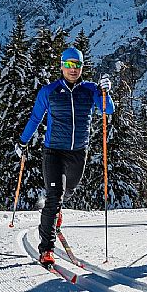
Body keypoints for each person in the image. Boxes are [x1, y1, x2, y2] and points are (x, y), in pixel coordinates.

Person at [19, 46, 114, 265]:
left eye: (77, 65)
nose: (73, 69)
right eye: (69, 64)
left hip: (79, 153)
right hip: (54, 151)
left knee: (69, 189)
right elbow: (35, 118)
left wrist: (105, 93)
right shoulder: (49, 91)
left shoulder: (90, 90)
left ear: (82, 67)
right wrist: (22, 141)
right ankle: (46, 249)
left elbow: (108, 110)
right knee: (54, 197)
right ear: (62, 66)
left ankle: (58, 209)